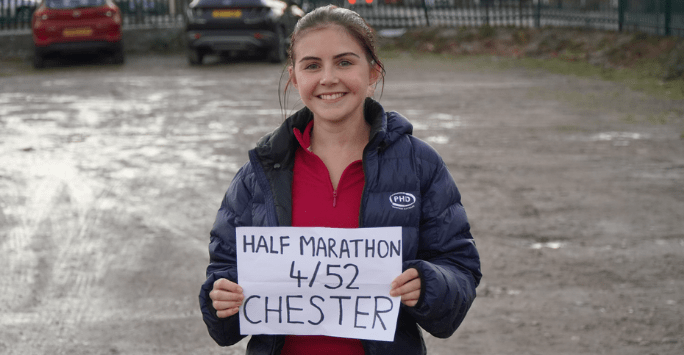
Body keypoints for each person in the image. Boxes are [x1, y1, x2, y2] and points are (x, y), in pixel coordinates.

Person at [199, 5, 481, 354]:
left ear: (373, 71)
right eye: (312, 65)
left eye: (345, 62)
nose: (328, 78)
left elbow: (458, 266)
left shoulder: (419, 164)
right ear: (294, 77)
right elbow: (223, 280)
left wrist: (429, 283)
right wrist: (221, 300)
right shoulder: (259, 174)